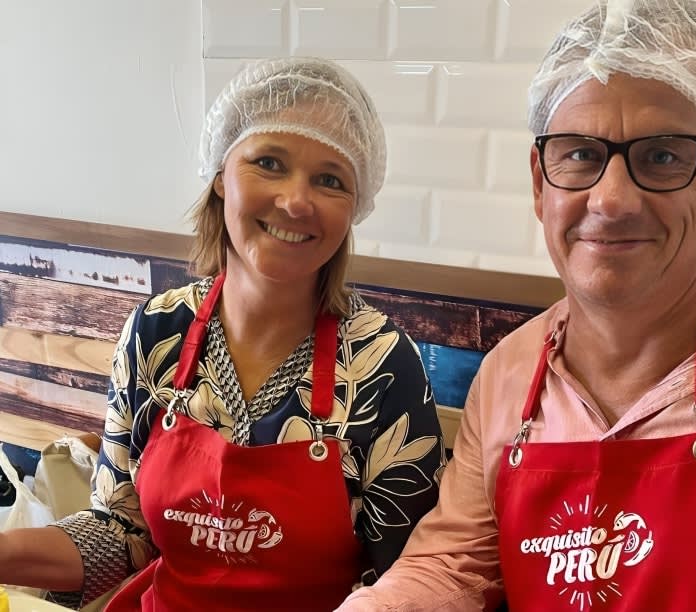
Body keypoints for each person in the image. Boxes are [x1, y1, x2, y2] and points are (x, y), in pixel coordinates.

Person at [337, 1, 696, 610]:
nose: (611, 200)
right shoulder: (509, 374)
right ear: (541, 183)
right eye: (581, 154)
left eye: (662, 156)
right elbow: (453, 568)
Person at [0, 57, 445, 611]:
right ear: (220, 174)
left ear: (354, 207)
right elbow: (122, 535)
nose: (296, 200)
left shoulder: (382, 364)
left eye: (330, 179)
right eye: (269, 163)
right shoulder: (155, 333)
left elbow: (409, 579)